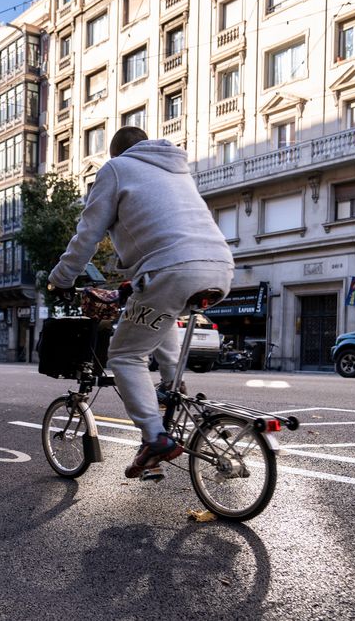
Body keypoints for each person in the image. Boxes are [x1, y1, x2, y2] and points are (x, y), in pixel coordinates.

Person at [48, 127, 235, 479]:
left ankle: (154, 437)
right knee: (158, 316)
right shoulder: (176, 169)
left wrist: (60, 278)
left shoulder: (116, 169)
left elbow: (87, 233)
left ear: (116, 154)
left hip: (171, 268)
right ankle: (171, 388)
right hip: (220, 267)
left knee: (124, 355)